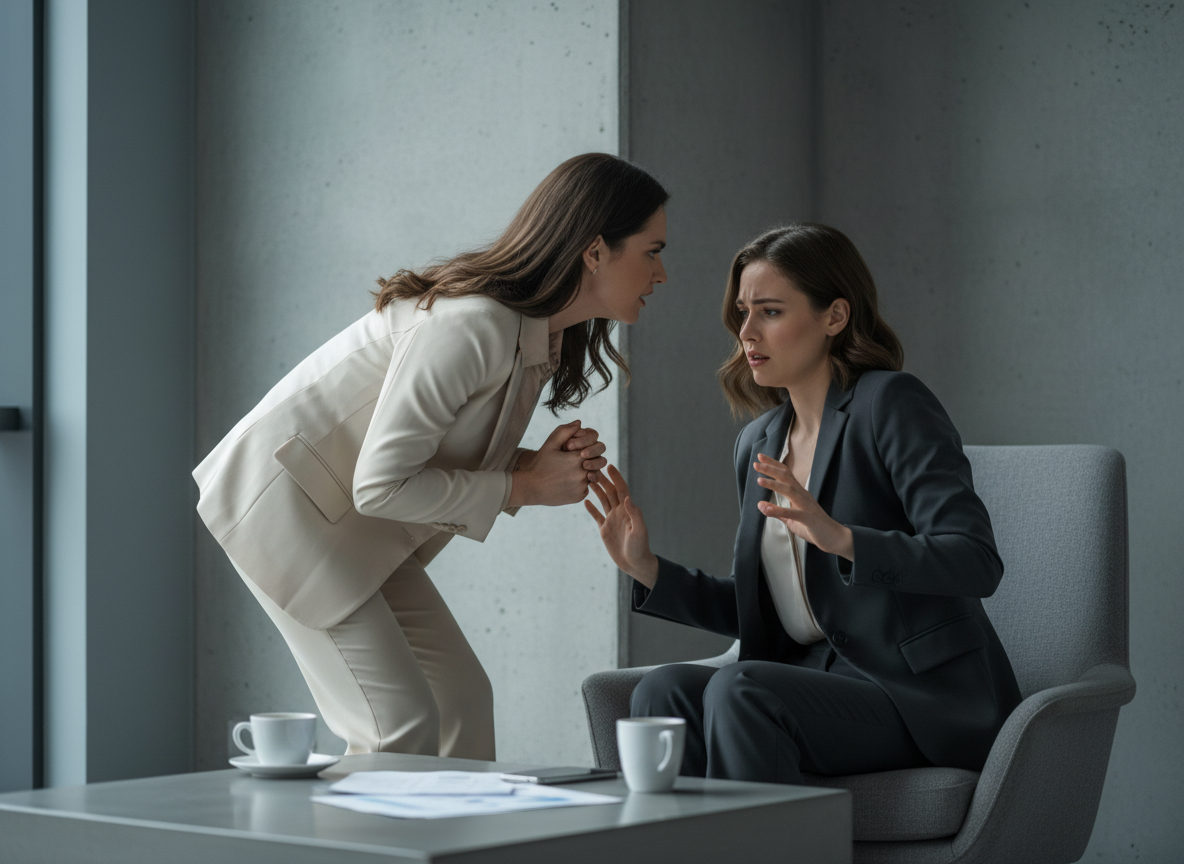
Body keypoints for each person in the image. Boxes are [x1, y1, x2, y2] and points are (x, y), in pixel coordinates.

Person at [194, 153, 669, 760]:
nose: (662, 275)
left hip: (352, 524)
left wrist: (529, 466)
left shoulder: (532, 332)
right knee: (398, 727)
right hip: (290, 513)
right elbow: (381, 484)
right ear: (596, 250)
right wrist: (522, 486)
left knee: (462, 703)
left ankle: (452, 853)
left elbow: (429, 448)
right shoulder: (473, 325)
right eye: (652, 251)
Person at [586, 223, 1021, 784]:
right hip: (813, 680)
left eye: (769, 311)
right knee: (663, 690)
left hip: (916, 696)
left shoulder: (891, 403)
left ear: (834, 317)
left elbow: (974, 560)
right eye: (742, 313)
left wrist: (841, 538)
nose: (747, 332)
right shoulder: (758, 442)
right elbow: (763, 613)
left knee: (742, 689)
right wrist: (645, 568)